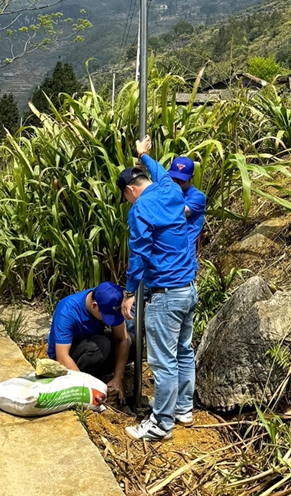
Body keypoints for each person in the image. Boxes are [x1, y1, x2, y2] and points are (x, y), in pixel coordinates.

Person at [118, 137, 198, 441]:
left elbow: (137, 257)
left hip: (165, 295)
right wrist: (145, 156)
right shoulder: (170, 188)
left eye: (126, 197)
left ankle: (161, 424)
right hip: (188, 289)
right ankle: (183, 408)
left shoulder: (139, 211)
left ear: (129, 190)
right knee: (182, 352)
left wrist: (128, 294)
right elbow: (161, 170)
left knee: (163, 362)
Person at [47, 282, 130, 399]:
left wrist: (118, 378)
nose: (109, 321)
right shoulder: (67, 311)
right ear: (94, 306)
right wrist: (89, 388)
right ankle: (83, 382)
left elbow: (122, 340)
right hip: (67, 355)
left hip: (93, 349)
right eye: (106, 317)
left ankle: (101, 376)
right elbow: (62, 357)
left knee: (132, 342)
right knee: (101, 345)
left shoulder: (110, 300)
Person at [167, 156, 206, 254]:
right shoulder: (167, 191)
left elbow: (182, 211)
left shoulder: (198, 196)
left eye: (181, 181)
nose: (177, 184)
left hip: (184, 255)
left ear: (191, 177)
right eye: (174, 180)